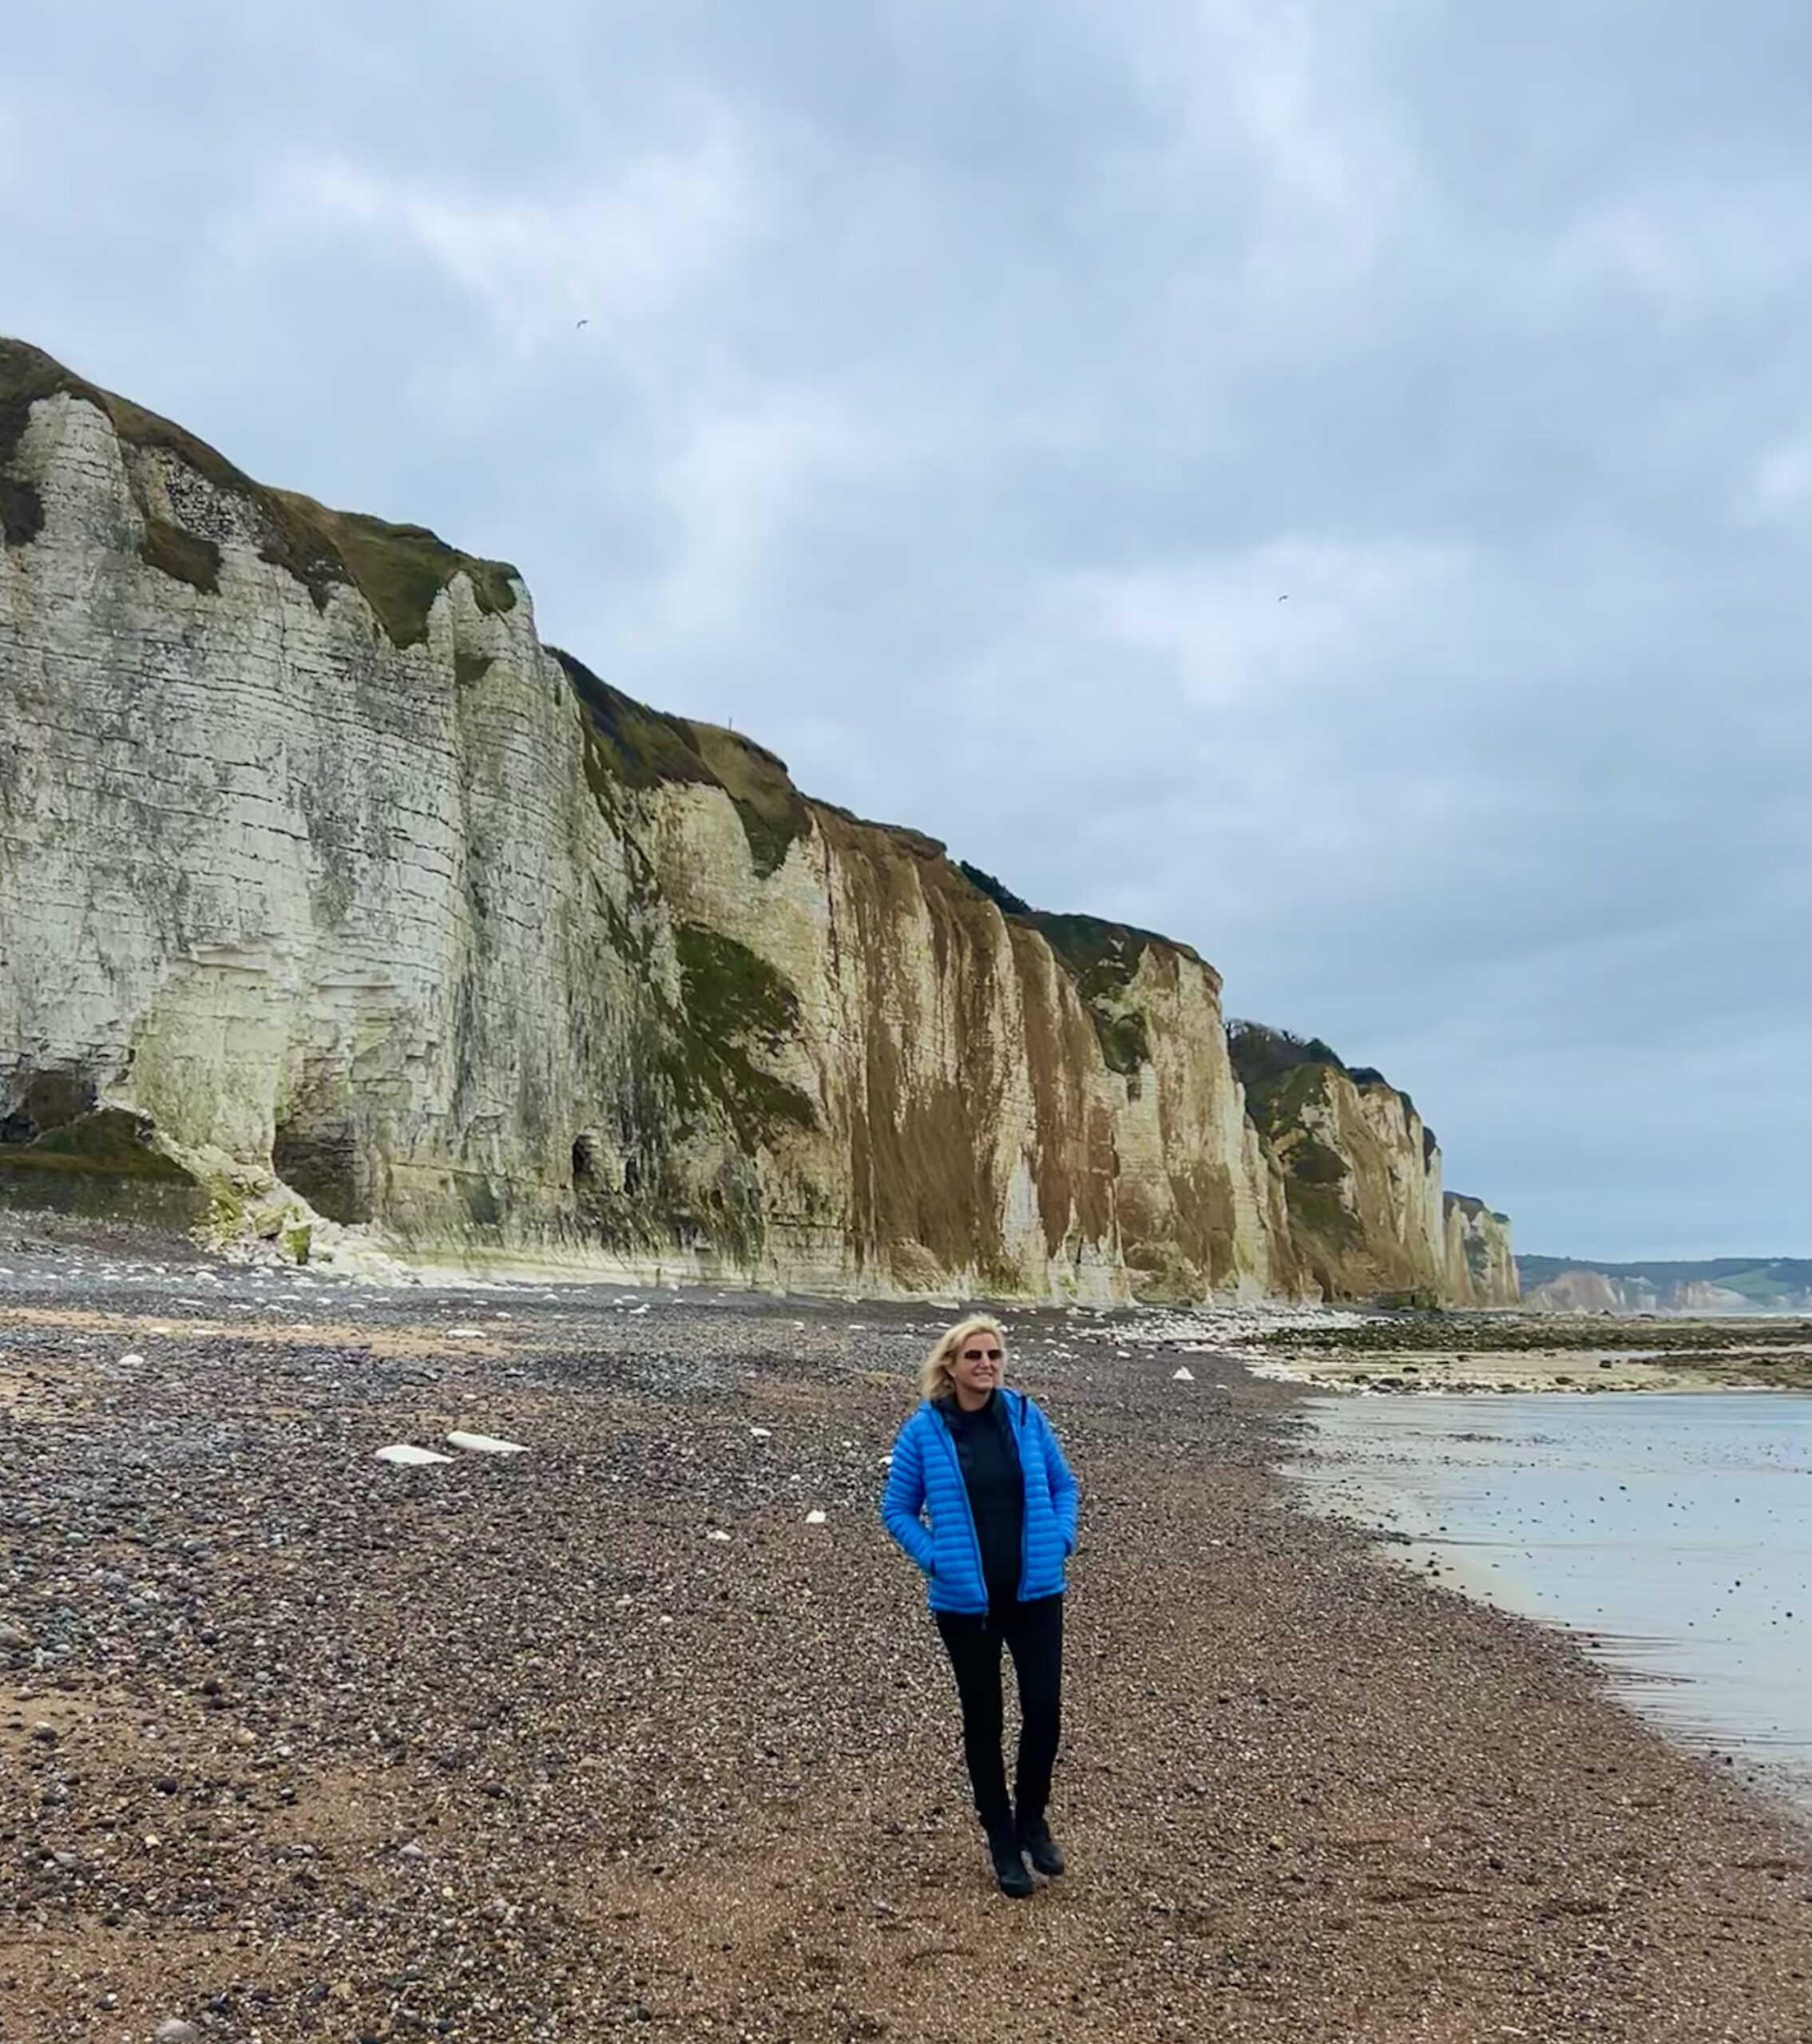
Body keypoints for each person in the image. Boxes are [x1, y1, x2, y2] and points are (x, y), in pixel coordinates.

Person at [880, 1314, 1080, 1897]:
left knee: (1043, 1708)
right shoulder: (924, 1431)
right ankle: (999, 1838)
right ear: (950, 1365)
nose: (985, 1364)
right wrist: (936, 1558)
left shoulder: (1024, 1417)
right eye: (973, 1356)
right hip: (965, 1603)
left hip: (1035, 1591)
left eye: (993, 1354)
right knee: (984, 1720)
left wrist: (1061, 1538)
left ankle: (1031, 1818)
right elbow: (895, 1509)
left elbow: (1065, 1486)